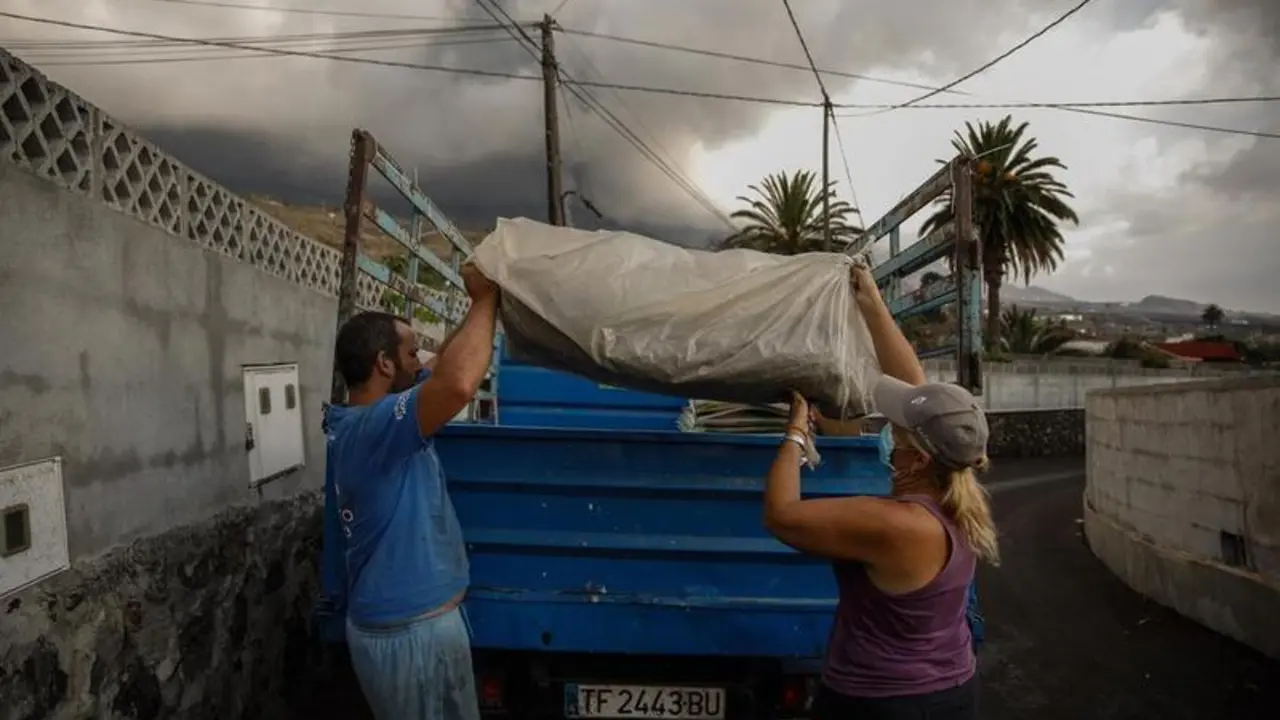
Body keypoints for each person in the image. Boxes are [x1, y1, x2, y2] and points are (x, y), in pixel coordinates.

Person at [761, 263, 998, 719]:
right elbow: (916, 391)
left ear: (918, 460)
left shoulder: (900, 526)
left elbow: (782, 515)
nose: (889, 432)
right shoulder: (960, 486)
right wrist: (870, 300)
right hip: (948, 687)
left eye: (897, 432)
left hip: (884, 704)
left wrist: (795, 430)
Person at [323, 263, 500, 720]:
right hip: (404, 638)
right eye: (411, 352)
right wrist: (485, 301)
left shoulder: (381, 418)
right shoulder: (373, 428)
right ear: (384, 364)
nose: (421, 360)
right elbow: (458, 383)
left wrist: (484, 299)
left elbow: (445, 366)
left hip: (421, 627)